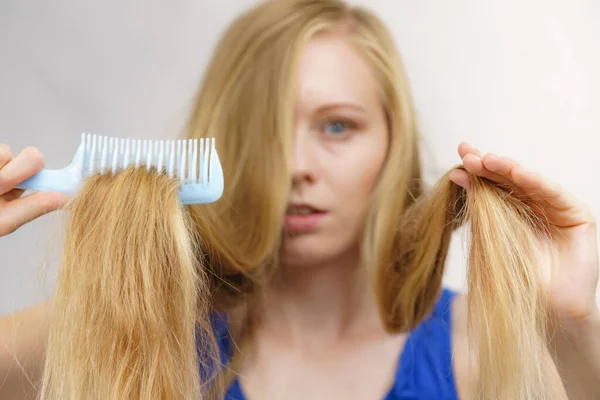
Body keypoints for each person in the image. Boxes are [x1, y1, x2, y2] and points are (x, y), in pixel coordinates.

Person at [1, 0, 599, 399]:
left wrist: (575, 321)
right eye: (264, 132)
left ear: (394, 145)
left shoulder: (486, 344)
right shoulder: (129, 328)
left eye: (337, 126)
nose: (296, 167)